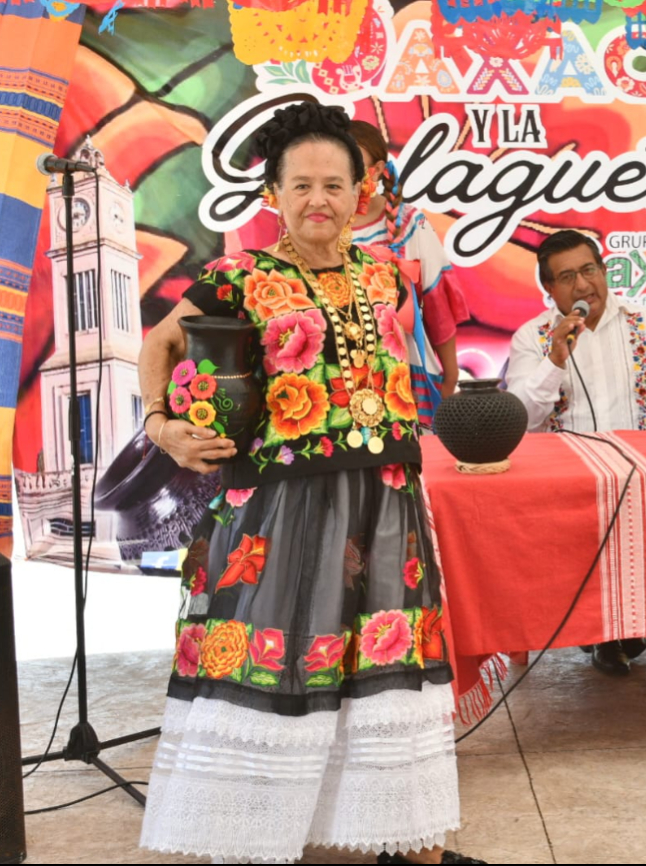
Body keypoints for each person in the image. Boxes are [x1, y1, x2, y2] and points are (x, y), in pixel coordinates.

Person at [136, 102, 481, 865]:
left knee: (384, 657)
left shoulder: (391, 277)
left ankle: (409, 840)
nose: (318, 199)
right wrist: (162, 424)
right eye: (301, 186)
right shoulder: (240, 277)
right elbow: (159, 343)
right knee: (274, 651)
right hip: (279, 505)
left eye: (334, 184)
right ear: (273, 196)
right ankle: (252, 841)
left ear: (364, 193)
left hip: (385, 496)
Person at [505, 229, 646, 673]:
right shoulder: (532, 337)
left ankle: (618, 627)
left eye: (589, 270)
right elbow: (521, 416)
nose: (582, 286)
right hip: (564, 481)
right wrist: (554, 359)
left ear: (604, 270)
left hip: (638, 476)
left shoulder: (645, 322)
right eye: (567, 277)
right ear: (549, 289)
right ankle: (606, 629)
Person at [347, 120, 468, 406]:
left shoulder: (409, 222)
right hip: (339, 373)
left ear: (375, 171)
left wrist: (450, 378)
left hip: (405, 372)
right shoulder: (316, 228)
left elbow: (437, 299)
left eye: (352, 163)